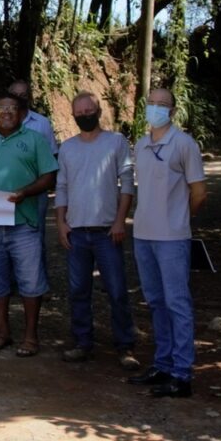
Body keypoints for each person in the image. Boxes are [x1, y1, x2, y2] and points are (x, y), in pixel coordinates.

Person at [0, 93, 58, 357]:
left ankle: (30, 337)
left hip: (24, 223)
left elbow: (49, 175)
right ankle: (2, 331)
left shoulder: (34, 140)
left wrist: (26, 192)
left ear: (21, 113)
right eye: (1, 108)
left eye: (12, 109)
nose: (6, 113)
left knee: (31, 281)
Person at [126, 88, 207, 398]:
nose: (156, 108)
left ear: (172, 111)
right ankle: (162, 363)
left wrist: (180, 219)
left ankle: (182, 373)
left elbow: (198, 192)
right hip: (143, 235)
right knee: (156, 302)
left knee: (178, 304)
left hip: (172, 238)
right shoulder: (142, 145)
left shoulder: (184, 144)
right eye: (152, 103)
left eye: (163, 104)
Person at [56, 92, 139, 369]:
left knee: (116, 291)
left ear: (99, 110)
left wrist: (120, 221)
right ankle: (82, 342)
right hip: (76, 231)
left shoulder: (116, 142)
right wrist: (61, 223)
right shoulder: (67, 147)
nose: (84, 115)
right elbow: (62, 187)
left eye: (88, 110)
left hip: (107, 231)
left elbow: (127, 183)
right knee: (78, 291)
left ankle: (125, 345)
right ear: (73, 115)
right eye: (79, 112)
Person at [0, 80, 58, 273]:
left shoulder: (42, 123)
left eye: (23, 95)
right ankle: (8, 282)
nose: (19, 98)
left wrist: (44, 184)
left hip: (35, 192)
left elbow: (52, 157)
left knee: (34, 236)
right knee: (0, 237)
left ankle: (35, 281)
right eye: (15, 94)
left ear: (30, 97)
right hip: (0, 191)